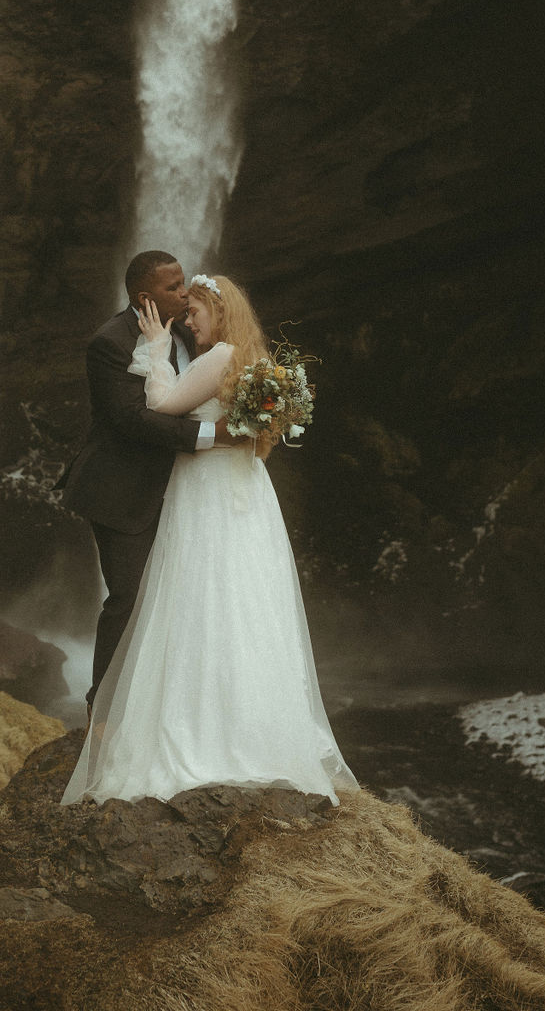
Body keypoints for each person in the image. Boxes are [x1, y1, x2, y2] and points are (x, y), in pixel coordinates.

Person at [61, 272, 358, 806]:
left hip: (205, 491)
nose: (186, 318)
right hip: (242, 490)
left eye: (194, 307)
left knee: (197, 598)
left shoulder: (215, 357)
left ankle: (192, 724)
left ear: (219, 313)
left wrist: (154, 349)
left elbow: (159, 407)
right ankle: (248, 722)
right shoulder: (252, 360)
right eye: (182, 304)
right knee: (240, 599)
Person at [60, 250, 231, 718]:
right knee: (129, 598)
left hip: (181, 491)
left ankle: (162, 706)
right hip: (120, 491)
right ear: (143, 296)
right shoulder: (109, 342)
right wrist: (214, 436)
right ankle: (102, 709)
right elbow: (132, 420)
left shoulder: (188, 329)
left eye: (182, 284)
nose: (184, 292)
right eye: (173, 287)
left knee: (180, 596)